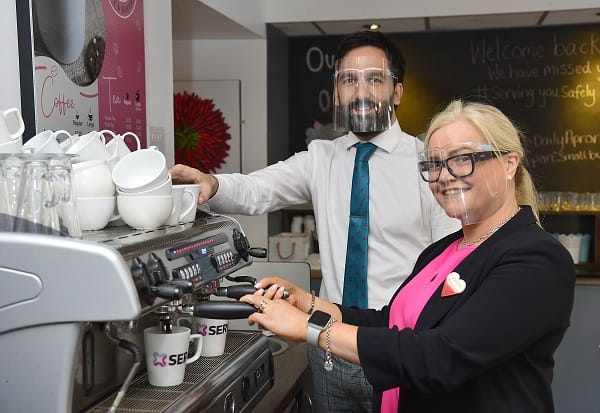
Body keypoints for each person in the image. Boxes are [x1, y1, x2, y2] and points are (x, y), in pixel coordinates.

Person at [170, 31, 460, 412]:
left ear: (397, 91)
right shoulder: (321, 158)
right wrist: (213, 183)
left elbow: (449, 264)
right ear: (337, 92)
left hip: (397, 348)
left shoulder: (428, 165)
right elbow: (258, 189)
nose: (361, 91)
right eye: (348, 80)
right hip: (328, 347)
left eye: (374, 79)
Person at [240, 99, 576, 413]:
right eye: (434, 164)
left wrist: (308, 328)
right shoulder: (444, 250)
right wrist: (310, 304)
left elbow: (440, 357)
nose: (444, 176)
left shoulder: (537, 258)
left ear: (509, 164)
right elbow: (391, 323)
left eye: (462, 159)